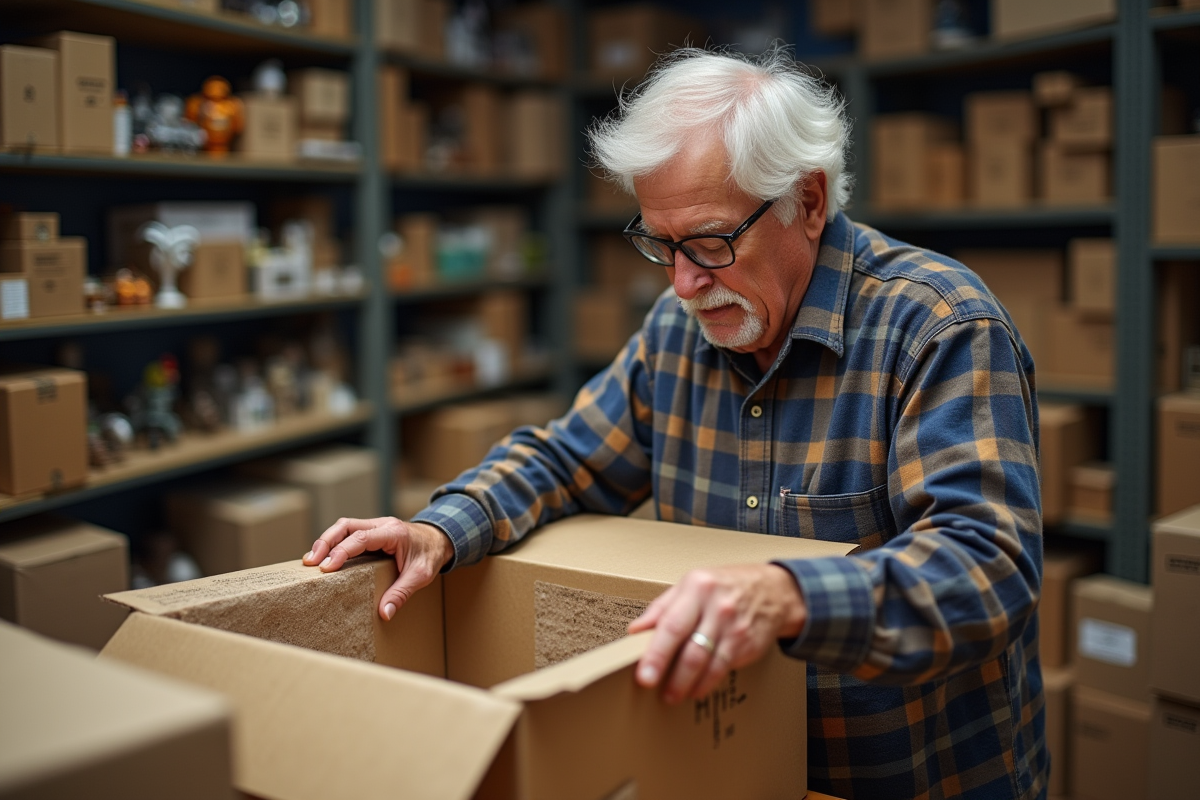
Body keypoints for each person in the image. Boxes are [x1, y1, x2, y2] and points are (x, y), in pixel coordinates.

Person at [306, 46, 1046, 799]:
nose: (685, 282)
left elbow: (988, 566)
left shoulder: (938, 327)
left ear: (809, 202)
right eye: (661, 245)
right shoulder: (677, 328)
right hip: (733, 770)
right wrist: (440, 528)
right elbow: (566, 460)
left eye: (712, 242)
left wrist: (787, 595)